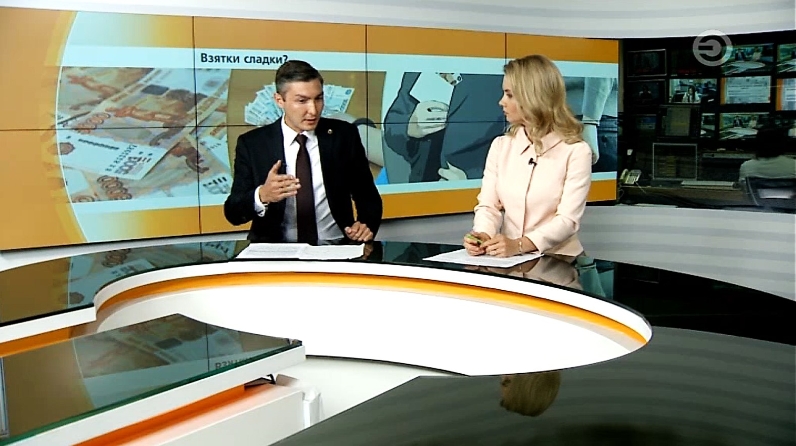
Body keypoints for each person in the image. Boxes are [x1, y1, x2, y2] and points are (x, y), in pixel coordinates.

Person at [223, 60, 383, 244]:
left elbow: (368, 196)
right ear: (279, 100)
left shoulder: (344, 135)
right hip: (277, 251)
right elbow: (233, 213)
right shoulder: (253, 144)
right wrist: (263, 195)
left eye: (318, 99)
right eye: (302, 101)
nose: (313, 110)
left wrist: (365, 225)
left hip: (336, 246)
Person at [463, 54, 593, 258]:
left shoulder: (576, 151)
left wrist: (520, 245)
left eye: (509, 95)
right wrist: (482, 235)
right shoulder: (501, 146)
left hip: (560, 260)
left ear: (532, 97)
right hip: (510, 259)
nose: (501, 102)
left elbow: (568, 220)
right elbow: (488, 206)